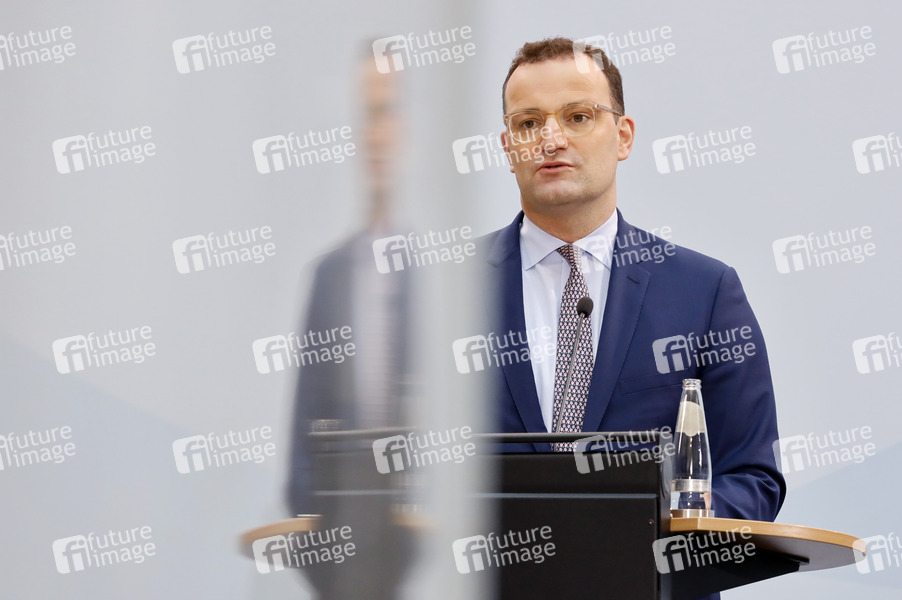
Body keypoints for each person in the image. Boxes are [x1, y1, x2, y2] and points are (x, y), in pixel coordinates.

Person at [481, 37, 785, 523]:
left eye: (577, 116)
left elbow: (752, 479)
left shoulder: (704, 292)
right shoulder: (444, 294)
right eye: (528, 123)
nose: (550, 140)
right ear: (507, 147)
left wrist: (657, 522)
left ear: (623, 136)